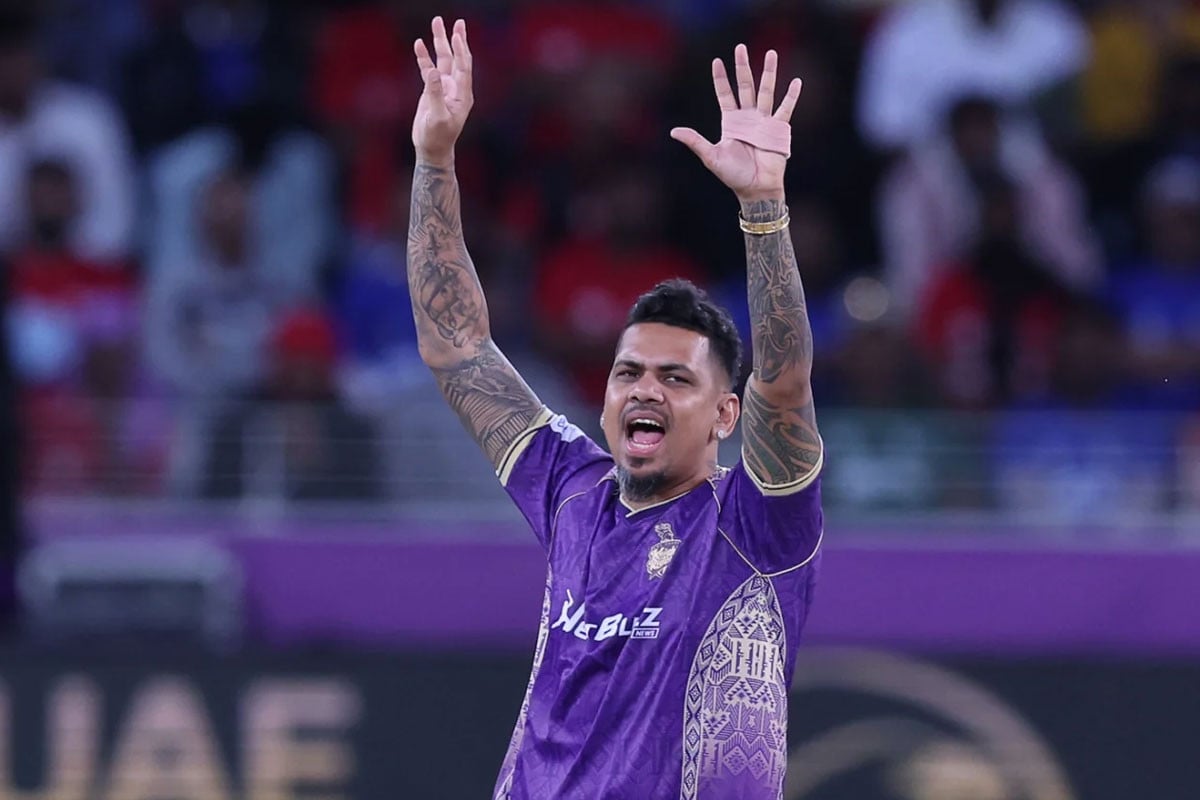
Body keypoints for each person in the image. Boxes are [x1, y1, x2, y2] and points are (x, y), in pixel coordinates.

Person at [408, 17, 823, 799]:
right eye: (628, 372)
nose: (644, 390)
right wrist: (434, 158)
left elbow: (785, 382)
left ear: (725, 417)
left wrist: (764, 209)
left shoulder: (758, 524)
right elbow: (456, 347)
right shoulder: (570, 488)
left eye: (675, 379)